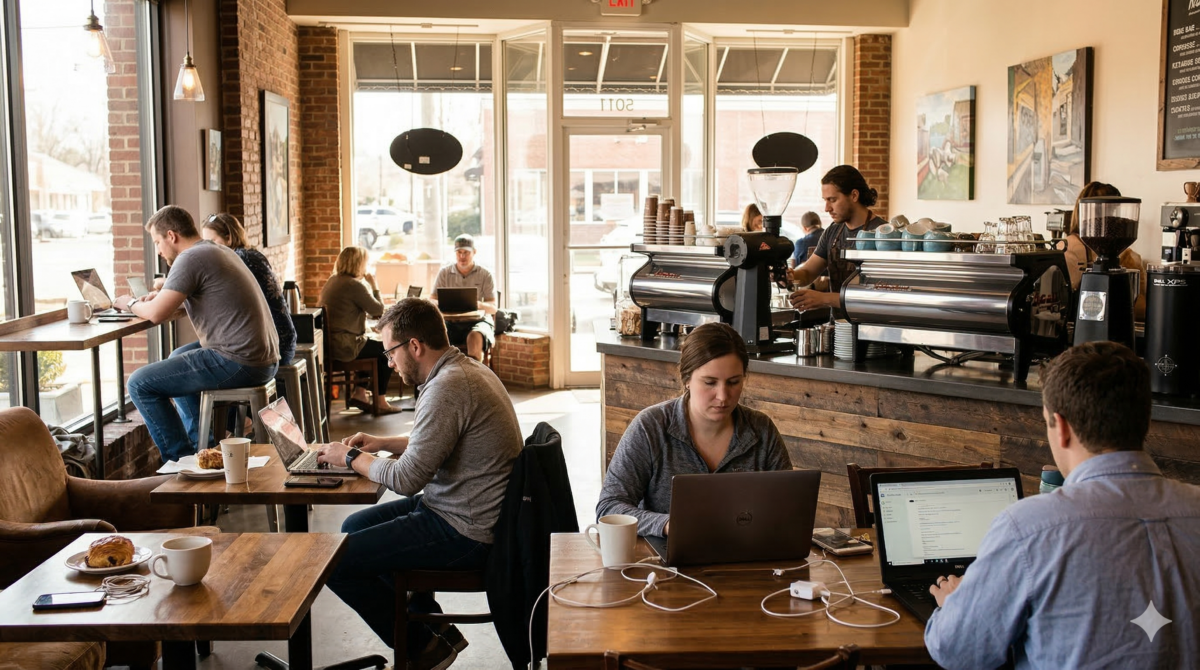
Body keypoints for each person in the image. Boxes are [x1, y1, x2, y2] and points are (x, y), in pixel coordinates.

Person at [924, 341, 1200, 669]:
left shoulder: (1028, 529)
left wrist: (957, 604)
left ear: (1062, 428)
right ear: (1144, 420)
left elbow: (956, 651)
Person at [315, 297, 522, 670]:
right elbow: (438, 440)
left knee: (334, 562)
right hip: (458, 507)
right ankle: (433, 624)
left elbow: (407, 478)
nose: (389, 362)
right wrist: (382, 443)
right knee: (353, 526)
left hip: (467, 531)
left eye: (390, 352)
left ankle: (423, 648)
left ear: (414, 346)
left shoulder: (447, 387)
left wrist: (349, 457)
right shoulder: (461, 369)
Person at [596, 322, 792, 537]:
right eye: (710, 382)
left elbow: (789, 506)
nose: (723, 396)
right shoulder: (650, 427)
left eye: (733, 382)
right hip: (664, 554)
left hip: (746, 552)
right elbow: (609, 507)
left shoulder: (762, 430)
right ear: (687, 379)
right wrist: (668, 524)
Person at [117, 206, 280, 463]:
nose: (158, 251)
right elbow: (198, 298)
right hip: (263, 357)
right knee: (178, 357)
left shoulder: (190, 258)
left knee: (139, 383)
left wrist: (128, 303)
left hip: (241, 361)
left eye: (157, 242)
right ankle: (202, 449)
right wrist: (160, 297)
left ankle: (180, 464)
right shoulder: (216, 250)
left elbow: (157, 314)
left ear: (171, 236)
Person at [200, 213, 296, 367]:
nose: (209, 248)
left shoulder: (240, 259)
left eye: (212, 242)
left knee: (189, 359)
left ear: (229, 238)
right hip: (280, 339)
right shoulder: (250, 254)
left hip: (273, 346)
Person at [787, 165, 886, 315]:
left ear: (854, 195)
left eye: (832, 200)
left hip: (871, 325)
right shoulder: (832, 231)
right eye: (825, 200)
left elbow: (879, 295)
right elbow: (807, 273)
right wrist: (790, 276)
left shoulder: (882, 235)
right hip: (839, 325)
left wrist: (824, 298)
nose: (827, 208)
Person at [319, 246, 398, 414]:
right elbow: (378, 310)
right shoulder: (353, 285)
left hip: (331, 345)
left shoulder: (333, 280)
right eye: (365, 263)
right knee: (388, 350)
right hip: (346, 346)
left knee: (372, 346)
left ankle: (360, 393)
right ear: (358, 264)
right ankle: (381, 402)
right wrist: (374, 285)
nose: (366, 267)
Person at [1063, 181, 1147, 319]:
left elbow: (1140, 308)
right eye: (1107, 212)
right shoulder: (1071, 249)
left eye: (1113, 212)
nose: (1112, 219)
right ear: (1085, 212)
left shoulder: (1128, 256)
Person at [432, 234, 497, 362]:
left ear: (474, 252)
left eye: (466, 252)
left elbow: (493, 308)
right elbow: (432, 300)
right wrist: (443, 303)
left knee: (474, 337)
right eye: (459, 252)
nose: (462, 256)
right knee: (435, 336)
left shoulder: (485, 274)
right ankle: (444, 372)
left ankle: (475, 373)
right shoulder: (444, 273)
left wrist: (475, 304)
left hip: (478, 322)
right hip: (450, 322)